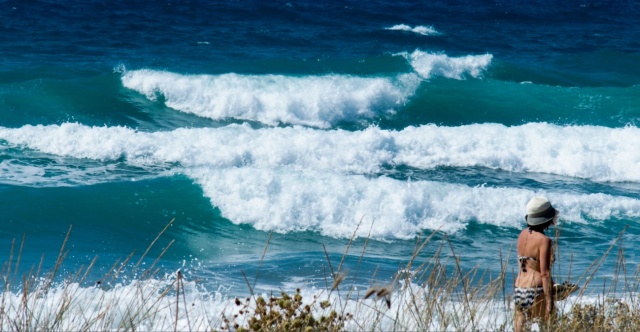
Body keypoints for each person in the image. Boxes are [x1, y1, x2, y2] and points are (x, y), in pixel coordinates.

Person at [513, 197, 558, 332]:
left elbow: (524, 263)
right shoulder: (544, 240)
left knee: (520, 329)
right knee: (548, 326)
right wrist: (549, 301)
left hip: (519, 288)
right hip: (536, 289)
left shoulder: (522, 235)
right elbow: (544, 273)